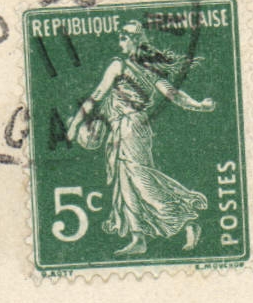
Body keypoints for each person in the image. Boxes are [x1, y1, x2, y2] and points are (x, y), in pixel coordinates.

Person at [68, 21, 215, 256]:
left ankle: (186, 220)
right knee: (125, 183)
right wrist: (75, 125)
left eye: (124, 38)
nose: (120, 42)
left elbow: (173, 95)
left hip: (132, 129)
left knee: (140, 180)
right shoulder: (128, 66)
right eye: (120, 38)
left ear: (135, 39)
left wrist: (198, 105)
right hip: (122, 129)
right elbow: (96, 96)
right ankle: (138, 238)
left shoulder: (129, 67)